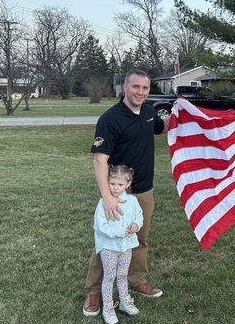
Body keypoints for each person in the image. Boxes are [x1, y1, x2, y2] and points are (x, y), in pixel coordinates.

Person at [83, 69, 170, 317]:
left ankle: (136, 280)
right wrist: (108, 197)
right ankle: (93, 291)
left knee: (138, 239)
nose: (140, 92)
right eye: (135, 87)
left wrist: (186, 114)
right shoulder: (110, 118)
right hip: (118, 194)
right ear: (125, 87)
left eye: (145, 88)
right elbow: (100, 160)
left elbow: (162, 128)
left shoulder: (150, 111)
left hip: (144, 191)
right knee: (107, 243)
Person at [94, 165, 143, 324]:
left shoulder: (133, 200)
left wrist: (136, 225)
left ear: (128, 184)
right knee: (110, 276)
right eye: (112, 183)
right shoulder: (103, 203)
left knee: (122, 275)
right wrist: (121, 231)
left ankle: (124, 302)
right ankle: (108, 308)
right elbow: (101, 227)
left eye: (120, 184)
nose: (115, 187)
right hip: (109, 247)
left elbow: (139, 216)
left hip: (126, 246)